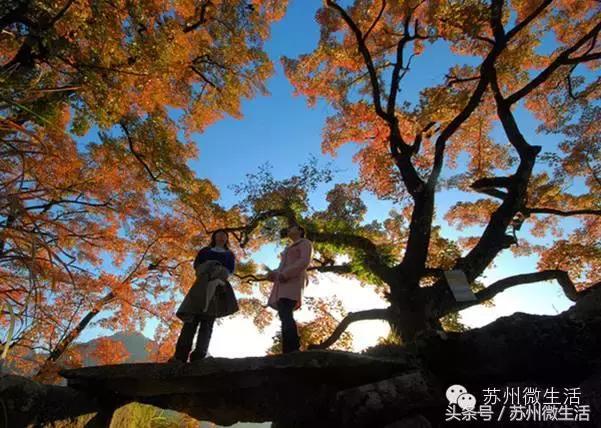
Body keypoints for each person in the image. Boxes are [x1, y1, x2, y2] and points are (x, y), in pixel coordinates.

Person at [171, 229, 238, 362]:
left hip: (218, 289)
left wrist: (219, 273)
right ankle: (180, 356)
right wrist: (210, 266)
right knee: (191, 320)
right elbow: (197, 267)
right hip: (200, 286)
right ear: (214, 237)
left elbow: (229, 271)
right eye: (219, 234)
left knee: (208, 323)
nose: (221, 237)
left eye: (224, 235)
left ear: (227, 239)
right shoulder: (205, 251)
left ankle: (199, 355)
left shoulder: (229, 254)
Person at [267, 224, 313, 353]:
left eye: (291, 228)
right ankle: (288, 348)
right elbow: (281, 267)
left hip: (293, 281)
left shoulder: (305, 243)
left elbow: (304, 261)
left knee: (286, 312)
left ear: (299, 230)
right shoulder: (287, 249)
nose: (288, 230)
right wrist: (273, 274)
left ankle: (292, 348)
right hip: (282, 284)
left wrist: (285, 274)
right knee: (284, 314)